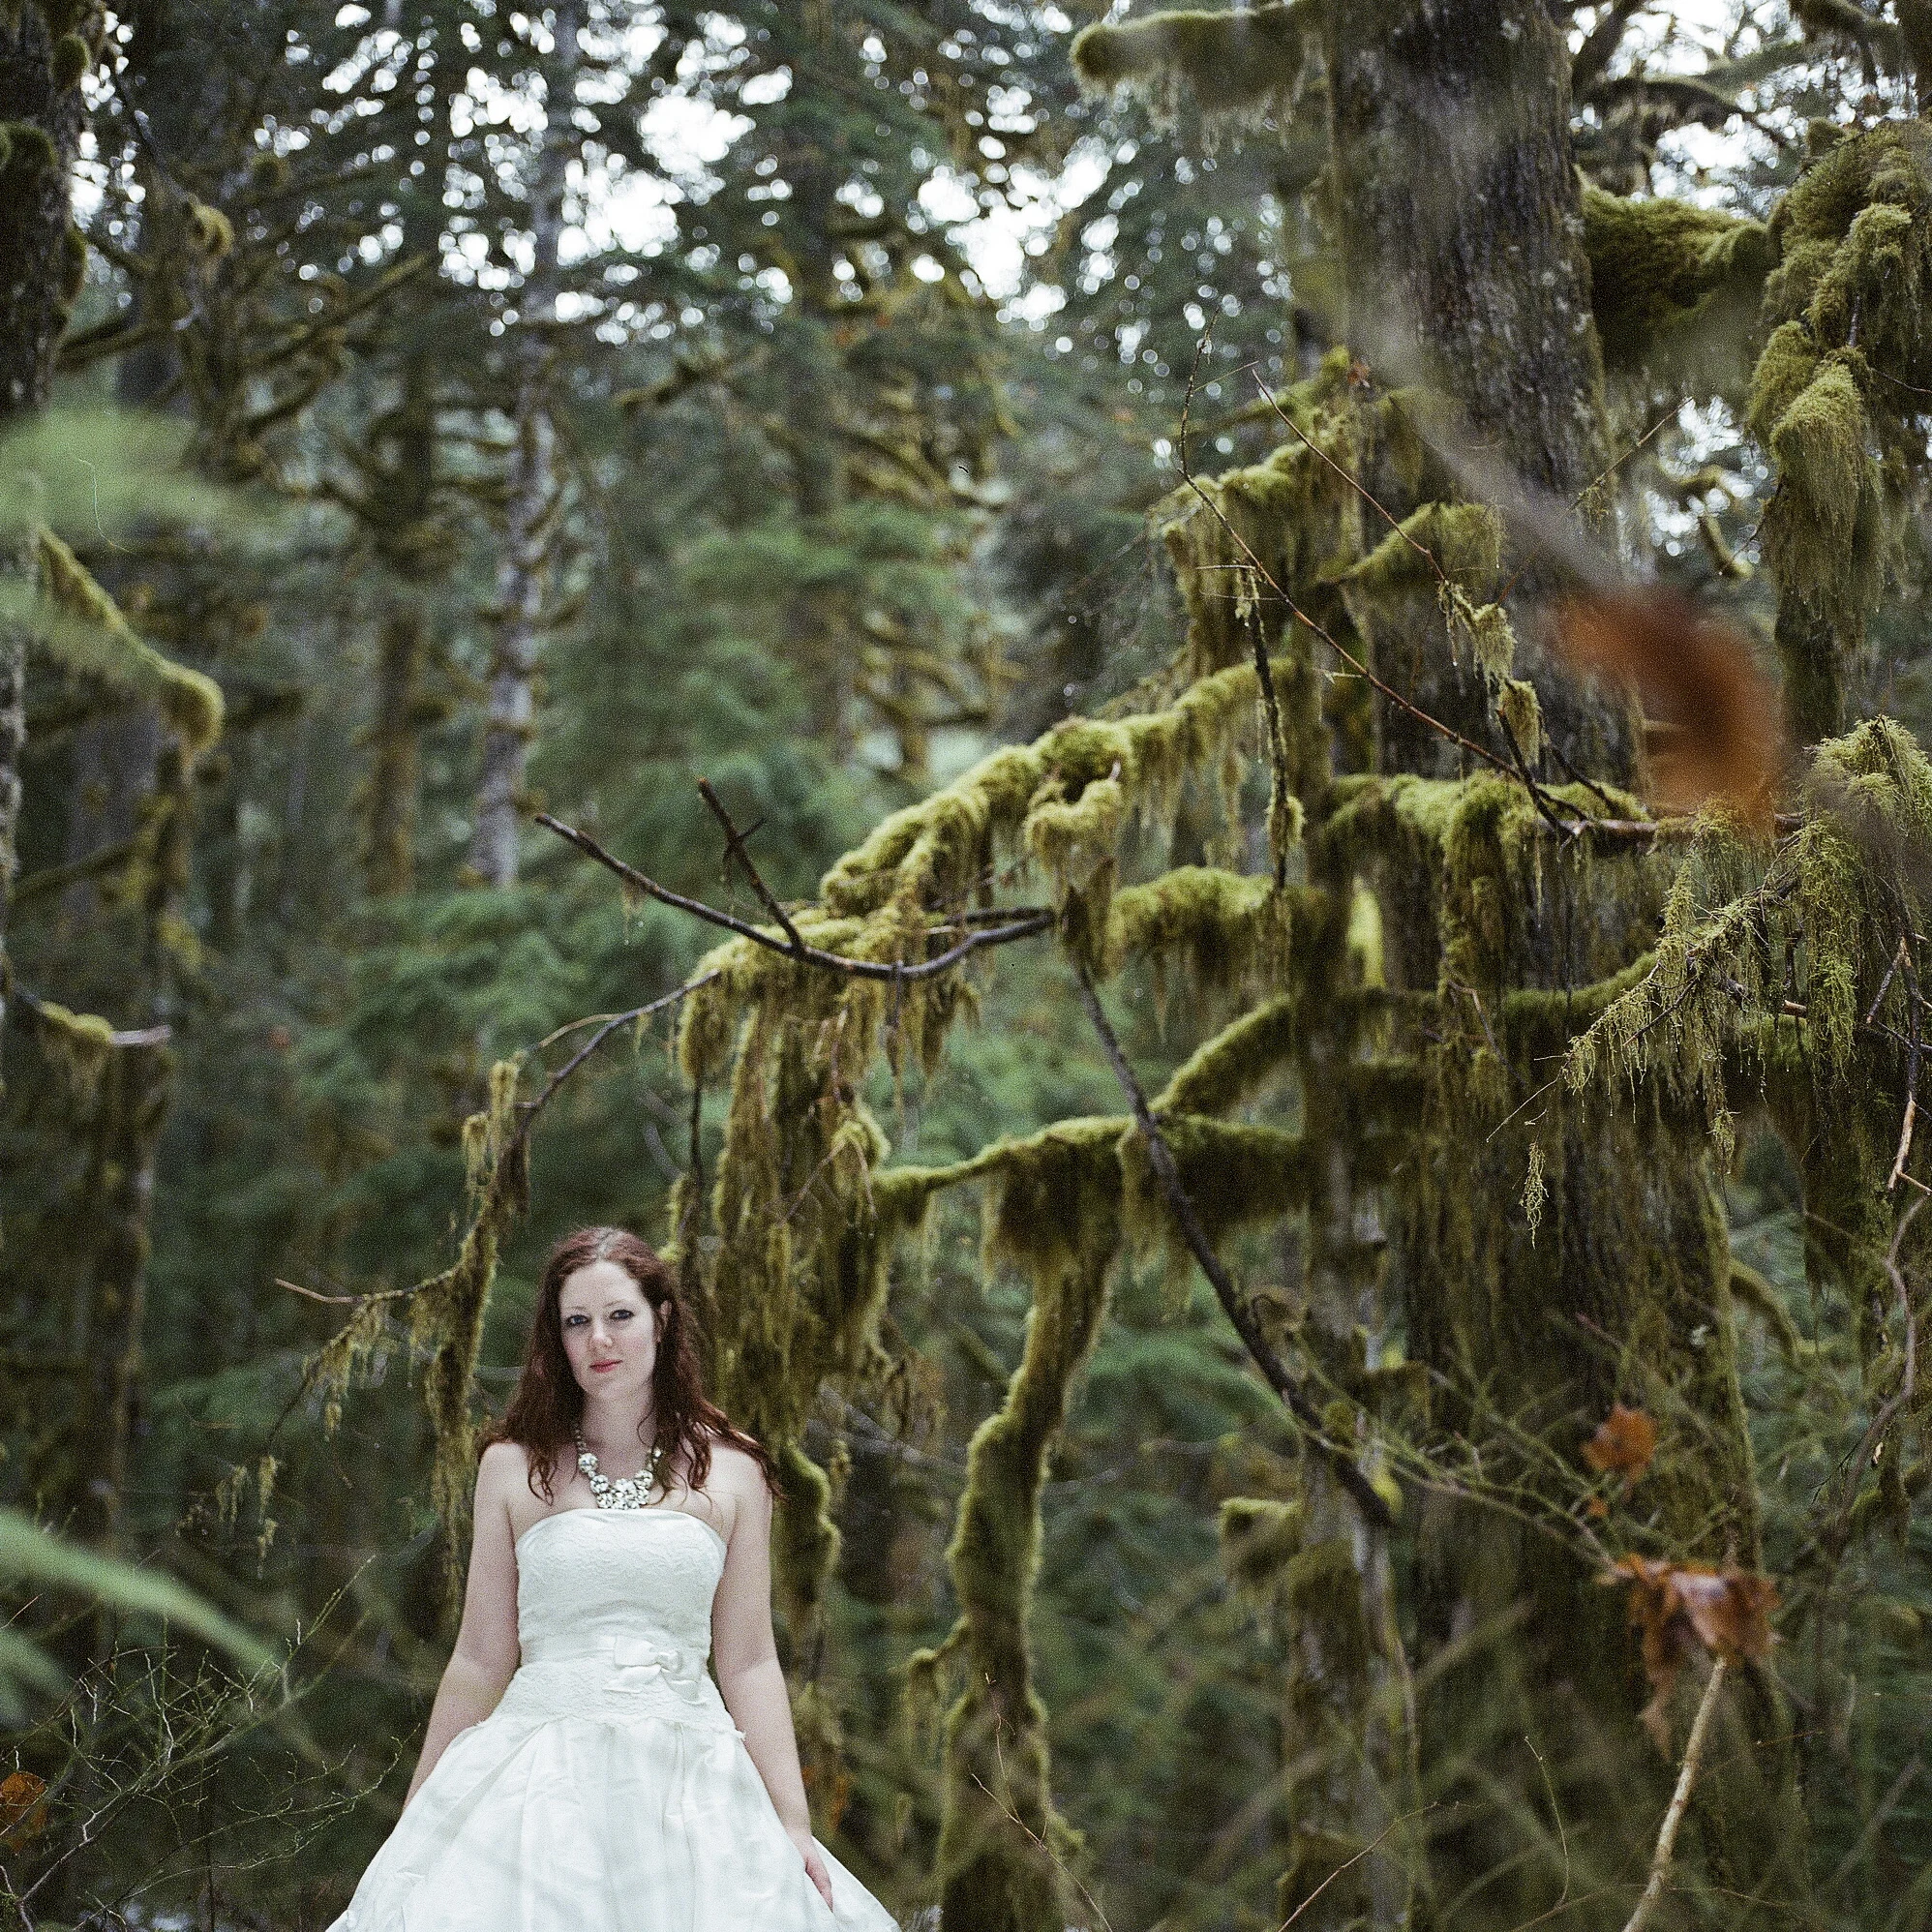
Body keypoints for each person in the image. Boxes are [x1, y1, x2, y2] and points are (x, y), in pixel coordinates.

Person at [326, 1224, 900, 1932]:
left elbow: (749, 1661)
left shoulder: (734, 1473)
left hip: (689, 1780)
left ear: (661, 1320)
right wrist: (420, 1817)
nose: (599, 1340)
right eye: (577, 1322)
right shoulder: (512, 1467)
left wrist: (790, 1823)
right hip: (536, 1778)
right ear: (556, 1341)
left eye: (619, 1316)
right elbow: (480, 1657)